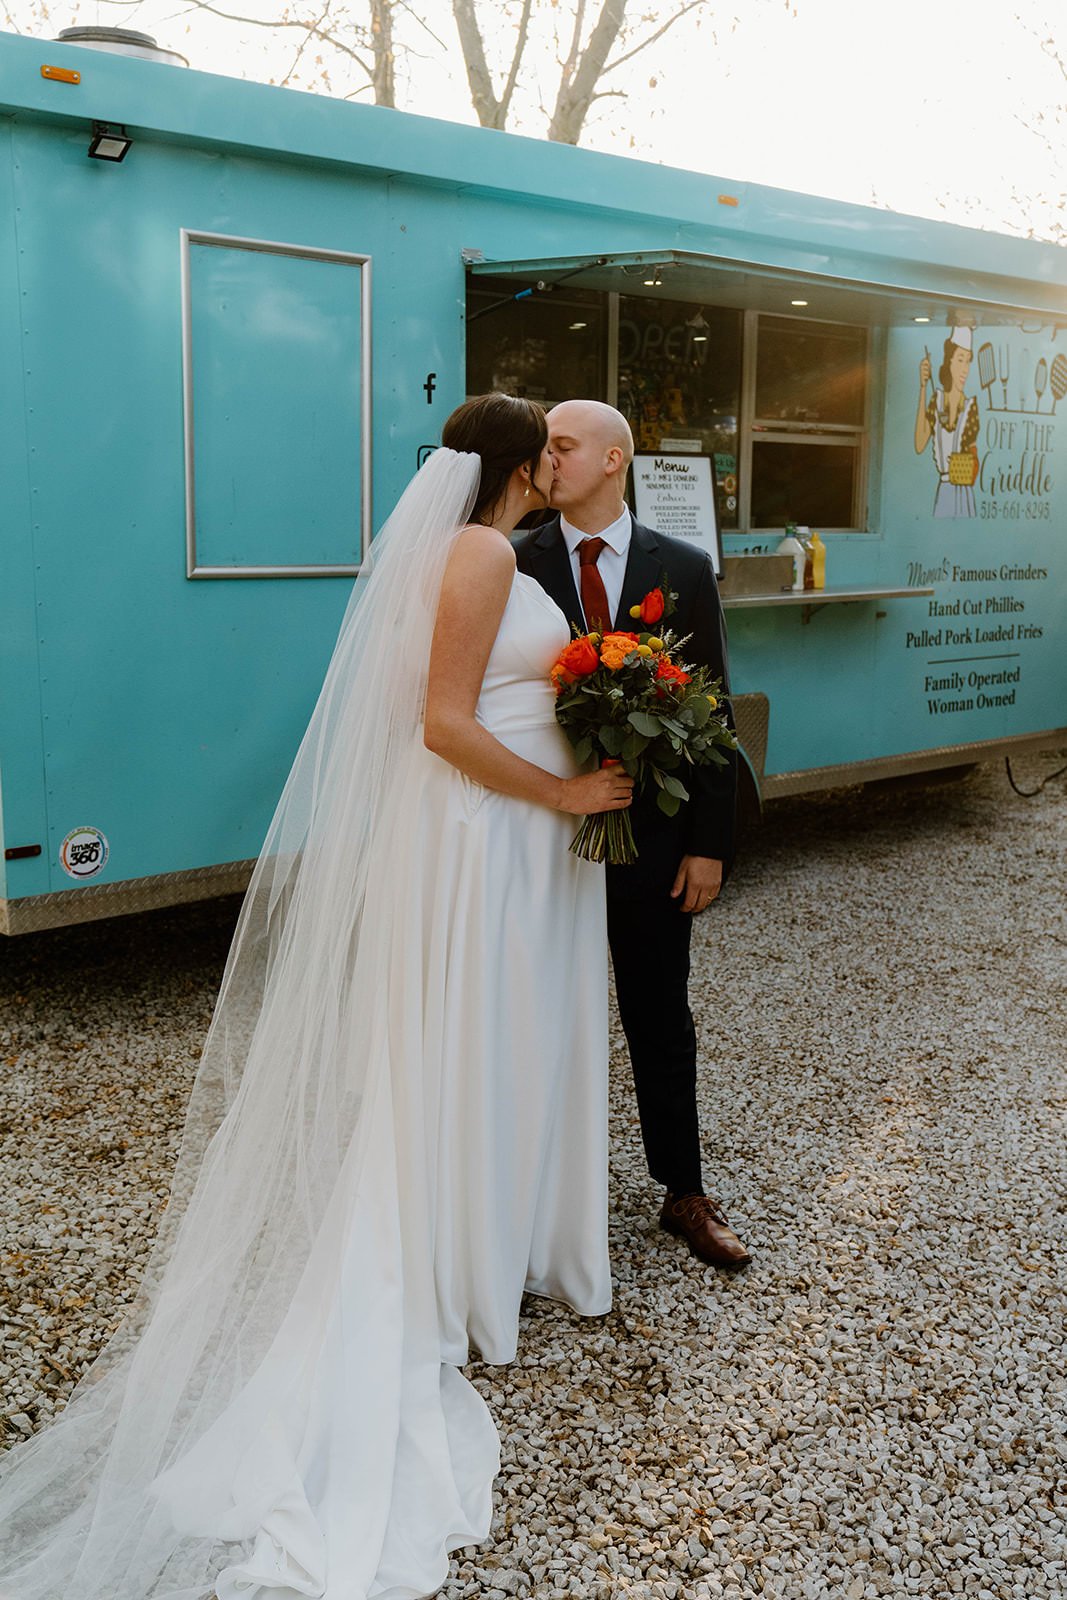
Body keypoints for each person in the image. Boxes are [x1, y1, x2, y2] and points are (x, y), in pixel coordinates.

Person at [0, 395, 633, 1600]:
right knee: (476, 1047)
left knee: (487, 1048)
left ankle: (488, 1247)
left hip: (499, 850)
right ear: (509, 466)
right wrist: (561, 798)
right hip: (485, 844)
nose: (555, 460)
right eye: (540, 447)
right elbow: (440, 723)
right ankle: (458, 1264)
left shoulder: (473, 548)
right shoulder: (486, 548)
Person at [514, 399, 750, 1271]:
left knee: (658, 1015)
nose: (549, 460)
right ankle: (533, 1197)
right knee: (533, 1015)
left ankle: (682, 1191)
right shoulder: (512, 559)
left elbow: (713, 712)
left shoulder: (680, 566)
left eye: (564, 447)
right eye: (543, 448)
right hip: (536, 834)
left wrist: (708, 844)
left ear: (614, 459)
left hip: (651, 842)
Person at [914, 326, 980, 518]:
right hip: (944, 490)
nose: (964, 370)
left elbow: (974, 456)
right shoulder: (937, 400)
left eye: (968, 362)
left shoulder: (970, 408)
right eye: (960, 360)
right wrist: (923, 386)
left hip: (963, 492)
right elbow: (919, 444)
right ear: (949, 361)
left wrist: (966, 464)